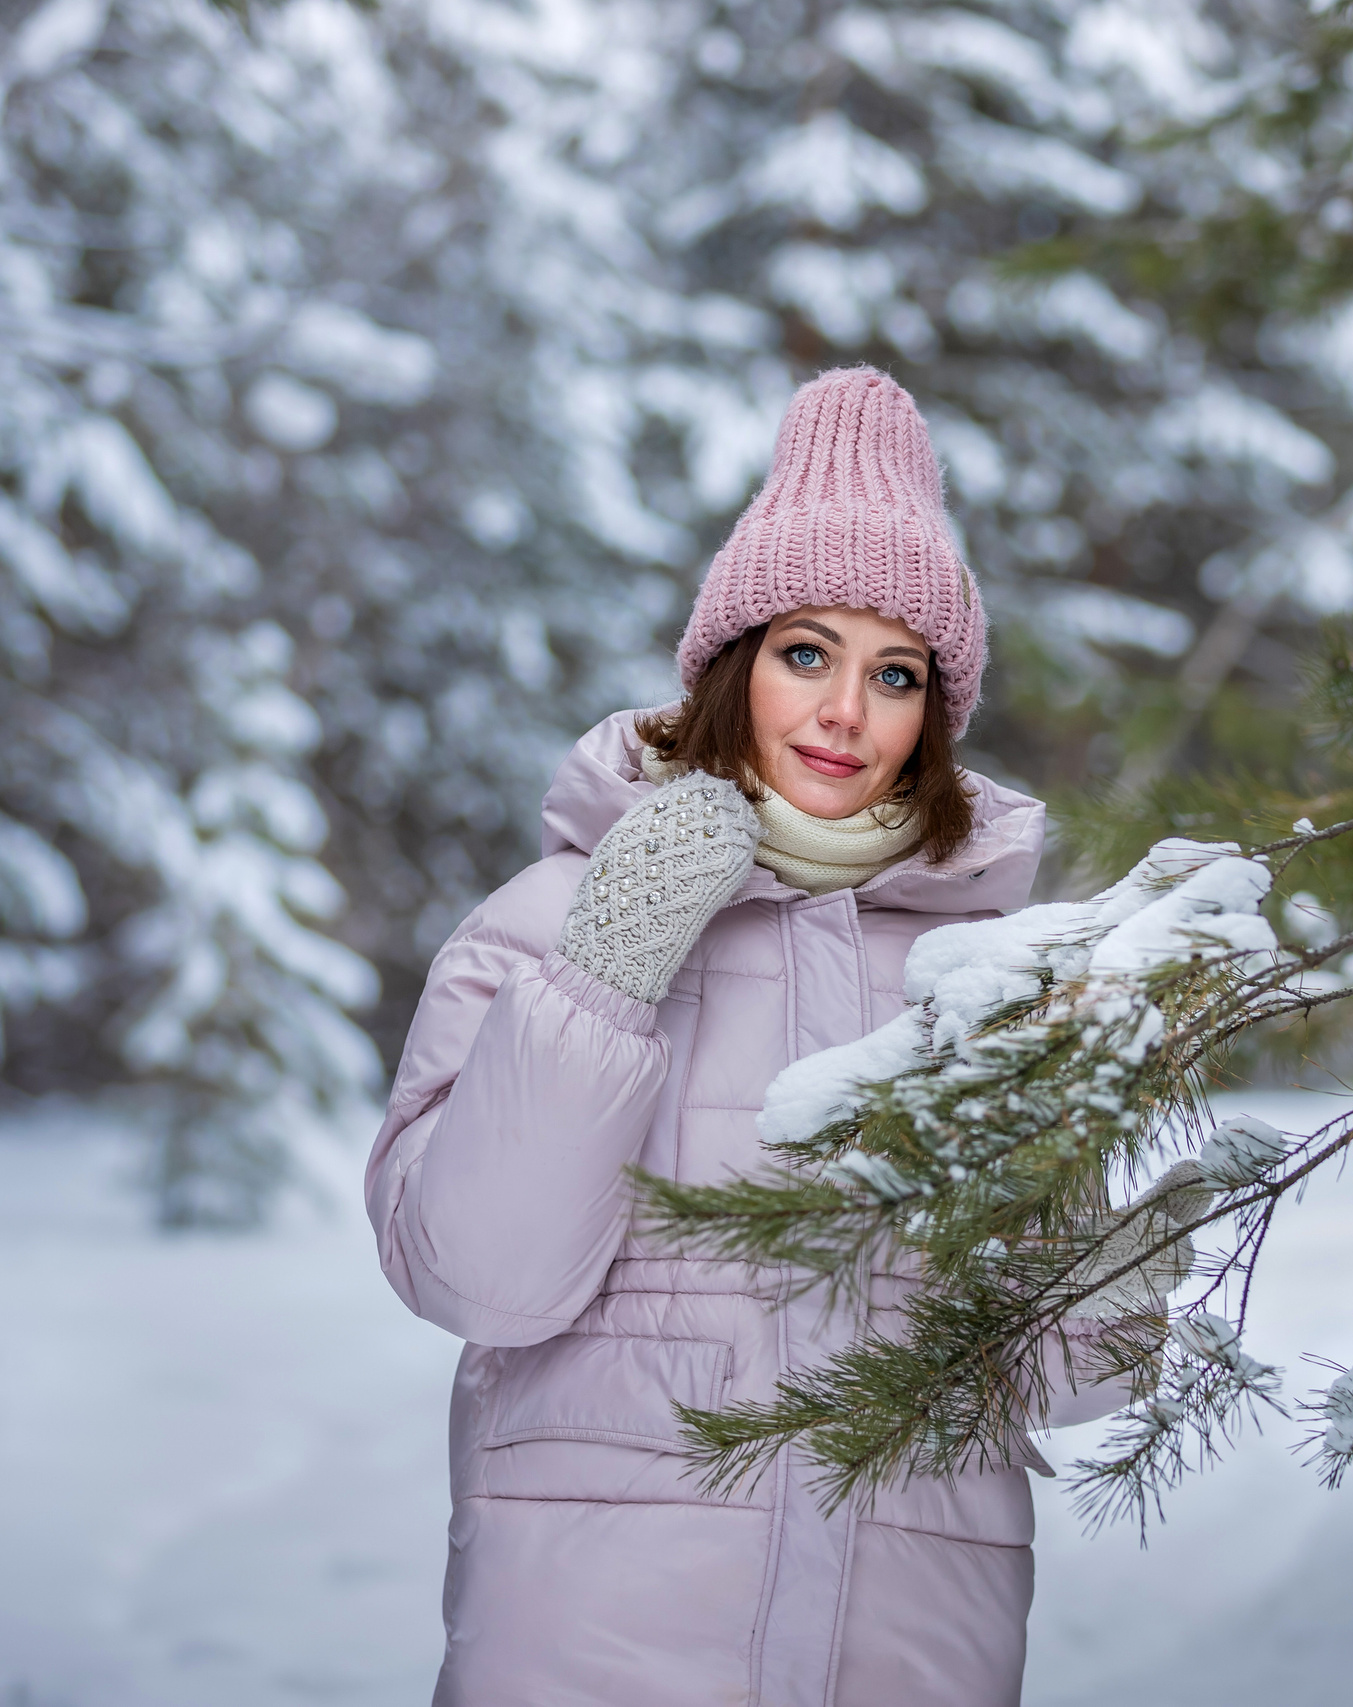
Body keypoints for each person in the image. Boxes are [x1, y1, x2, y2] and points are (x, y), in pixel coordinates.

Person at [365, 367, 1123, 1706]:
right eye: (806, 653)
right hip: (601, 1636)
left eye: (896, 673)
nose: (845, 712)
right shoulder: (550, 919)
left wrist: (1099, 1183)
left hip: (910, 1645)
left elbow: (1073, 1379)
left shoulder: (983, 972)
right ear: (734, 664)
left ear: (934, 718)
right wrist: (606, 976)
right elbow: (479, 1281)